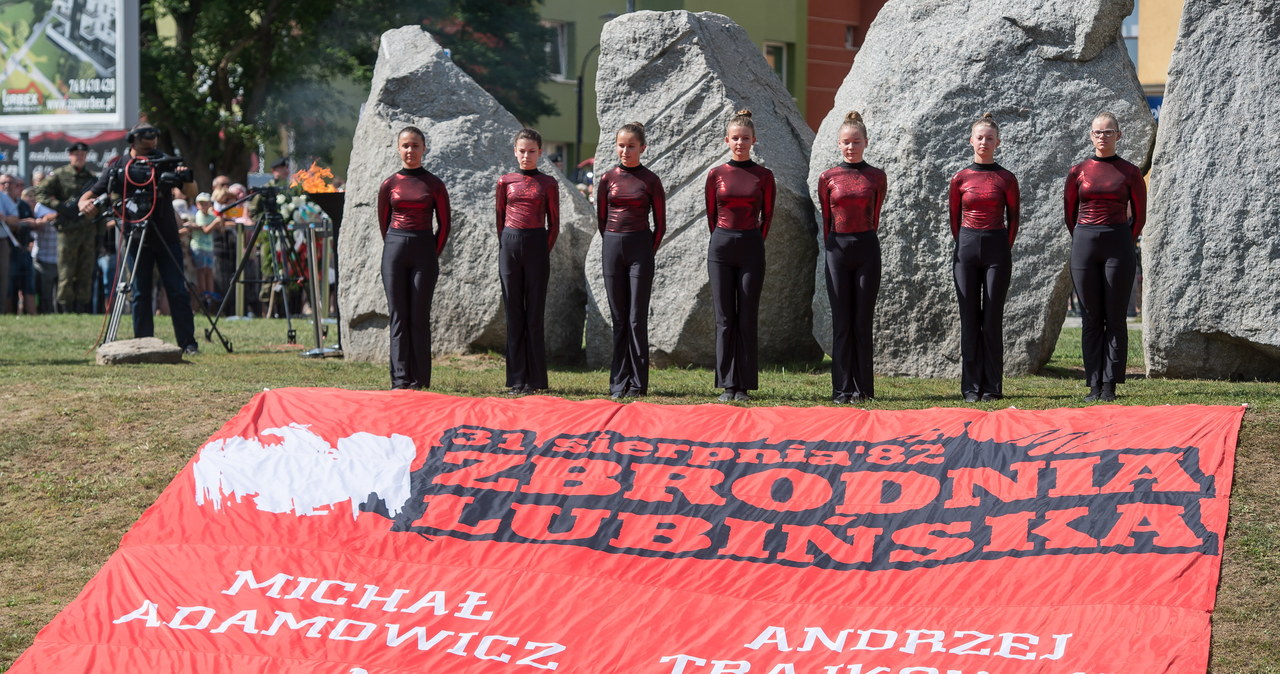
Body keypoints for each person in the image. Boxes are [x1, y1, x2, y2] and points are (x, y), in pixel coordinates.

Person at [78, 122, 200, 353]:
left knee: (176, 290)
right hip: (135, 237)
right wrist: (85, 203)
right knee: (140, 292)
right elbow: (90, 194)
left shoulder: (165, 161)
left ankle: (188, 343)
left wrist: (187, 178)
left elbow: (191, 193)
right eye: (146, 139)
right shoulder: (119, 166)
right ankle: (144, 342)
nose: (151, 143)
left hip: (166, 236)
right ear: (132, 140)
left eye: (154, 138)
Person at [1064, 111, 1146, 402]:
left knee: (1115, 316)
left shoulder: (1130, 172)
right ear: (1091, 136)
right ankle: (1093, 382)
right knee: (1090, 316)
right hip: (1085, 243)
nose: (1103, 137)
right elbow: (1070, 214)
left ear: (1118, 136)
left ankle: (1110, 383)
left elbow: (1139, 216)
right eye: (1098, 132)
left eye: (1109, 132)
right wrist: (1087, 237)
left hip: (1118, 244)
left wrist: (1123, 238)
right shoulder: (1078, 171)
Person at [949, 113, 1020, 403]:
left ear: (998, 143)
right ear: (971, 141)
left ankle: (992, 386)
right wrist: (965, 242)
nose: (984, 142)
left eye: (990, 138)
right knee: (969, 319)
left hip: (996, 249)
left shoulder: (1006, 178)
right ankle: (970, 386)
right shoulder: (960, 178)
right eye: (979, 137)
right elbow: (954, 218)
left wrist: (1002, 245)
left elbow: (1013, 219)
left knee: (991, 319)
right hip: (966, 247)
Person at [705, 110, 774, 403]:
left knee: (746, 316)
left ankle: (743, 384)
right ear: (727, 140)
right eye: (735, 138)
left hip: (751, 246)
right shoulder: (716, 174)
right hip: (720, 246)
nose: (740, 143)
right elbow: (711, 214)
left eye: (745, 138)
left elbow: (767, 216)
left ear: (754, 140)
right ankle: (726, 384)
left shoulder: (764, 176)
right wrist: (723, 238)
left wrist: (752, 240)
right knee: (724, 317)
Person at [817, 110, 887, 404]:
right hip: (837, 251)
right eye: (846, 142)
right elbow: (826, 220)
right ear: (839, 144)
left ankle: (863, 389)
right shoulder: (828, 177)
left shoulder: (876, 176)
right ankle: (841, 388)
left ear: (865, 143)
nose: (851, 147)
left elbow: (876, 215)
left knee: (862, 320)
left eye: (856, 142)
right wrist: (835, 247)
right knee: (841, 321)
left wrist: (861, 240)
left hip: (866, 248)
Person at [595, 121, 666, 399]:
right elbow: (601, 220)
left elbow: (660, 225)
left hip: (640, 249)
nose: (626, 150)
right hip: (613, 245)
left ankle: (638, 383)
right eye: (621, 145)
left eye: (631, 146)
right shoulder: (607, 179)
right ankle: (618, 382)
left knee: (637, 318)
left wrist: (647, 251)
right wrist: (613, 241)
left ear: (642, 148)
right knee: (619, 318)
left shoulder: (650, 180)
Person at [378, 126, 451, 390]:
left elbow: (444, 225)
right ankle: (400, 380)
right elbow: (383, 221)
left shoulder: (434, 184)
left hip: (424, 250)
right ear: (398, 148)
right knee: (398, 316)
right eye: (406, 145)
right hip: (395, 250)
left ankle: (420, 380)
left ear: (424, 148)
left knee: (419, 316)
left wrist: (431, 253)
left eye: (415, 146)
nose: (410, 151)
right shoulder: (390, 184)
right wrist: (396, 244)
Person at [496, 128, 559, 395]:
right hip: (509, 244)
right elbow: (499, 218)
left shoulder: (548, 183)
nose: (526, 156)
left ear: (540, 153)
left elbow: (554, 224)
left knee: (534, 313)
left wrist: (540, 250)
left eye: (531, 151)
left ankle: (536, 379)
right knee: (514, 313)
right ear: (515, 152)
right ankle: (516, 379)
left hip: (537, 245)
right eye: (522, 151)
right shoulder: (505, 182)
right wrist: (508, 244)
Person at [34, 141, 98, 313]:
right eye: (77, 154)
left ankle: (82, 308)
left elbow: (100, 199)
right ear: (70, 155)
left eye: (83, 154)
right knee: (66, 272)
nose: (80, 157)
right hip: (67, 231)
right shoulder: (60, 175)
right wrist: (60, 206)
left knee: (85, 271)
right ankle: (65, 308)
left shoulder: (92, 178)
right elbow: (39, 192)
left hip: (86, 229)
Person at [186, 192, 221, 307]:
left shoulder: (211, 216)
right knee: (201, 271)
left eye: (206, 203)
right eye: (201, 204)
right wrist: (216, 222)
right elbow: (206, 230)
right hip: (199, 247)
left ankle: (210, 294)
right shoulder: (199, 215)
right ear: (197, 205)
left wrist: (220, 222)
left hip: (208, 247)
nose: (203, 206)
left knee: (209, 272)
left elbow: (221, 228)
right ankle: (203, 294)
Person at [28, 186, 59, 313]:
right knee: (44, 292)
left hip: (59, 256)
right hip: (43, 256)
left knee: (58, 294)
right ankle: (44, 313)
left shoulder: (62, 204)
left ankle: (58, 314)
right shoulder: (40, 206)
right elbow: (40, 221)